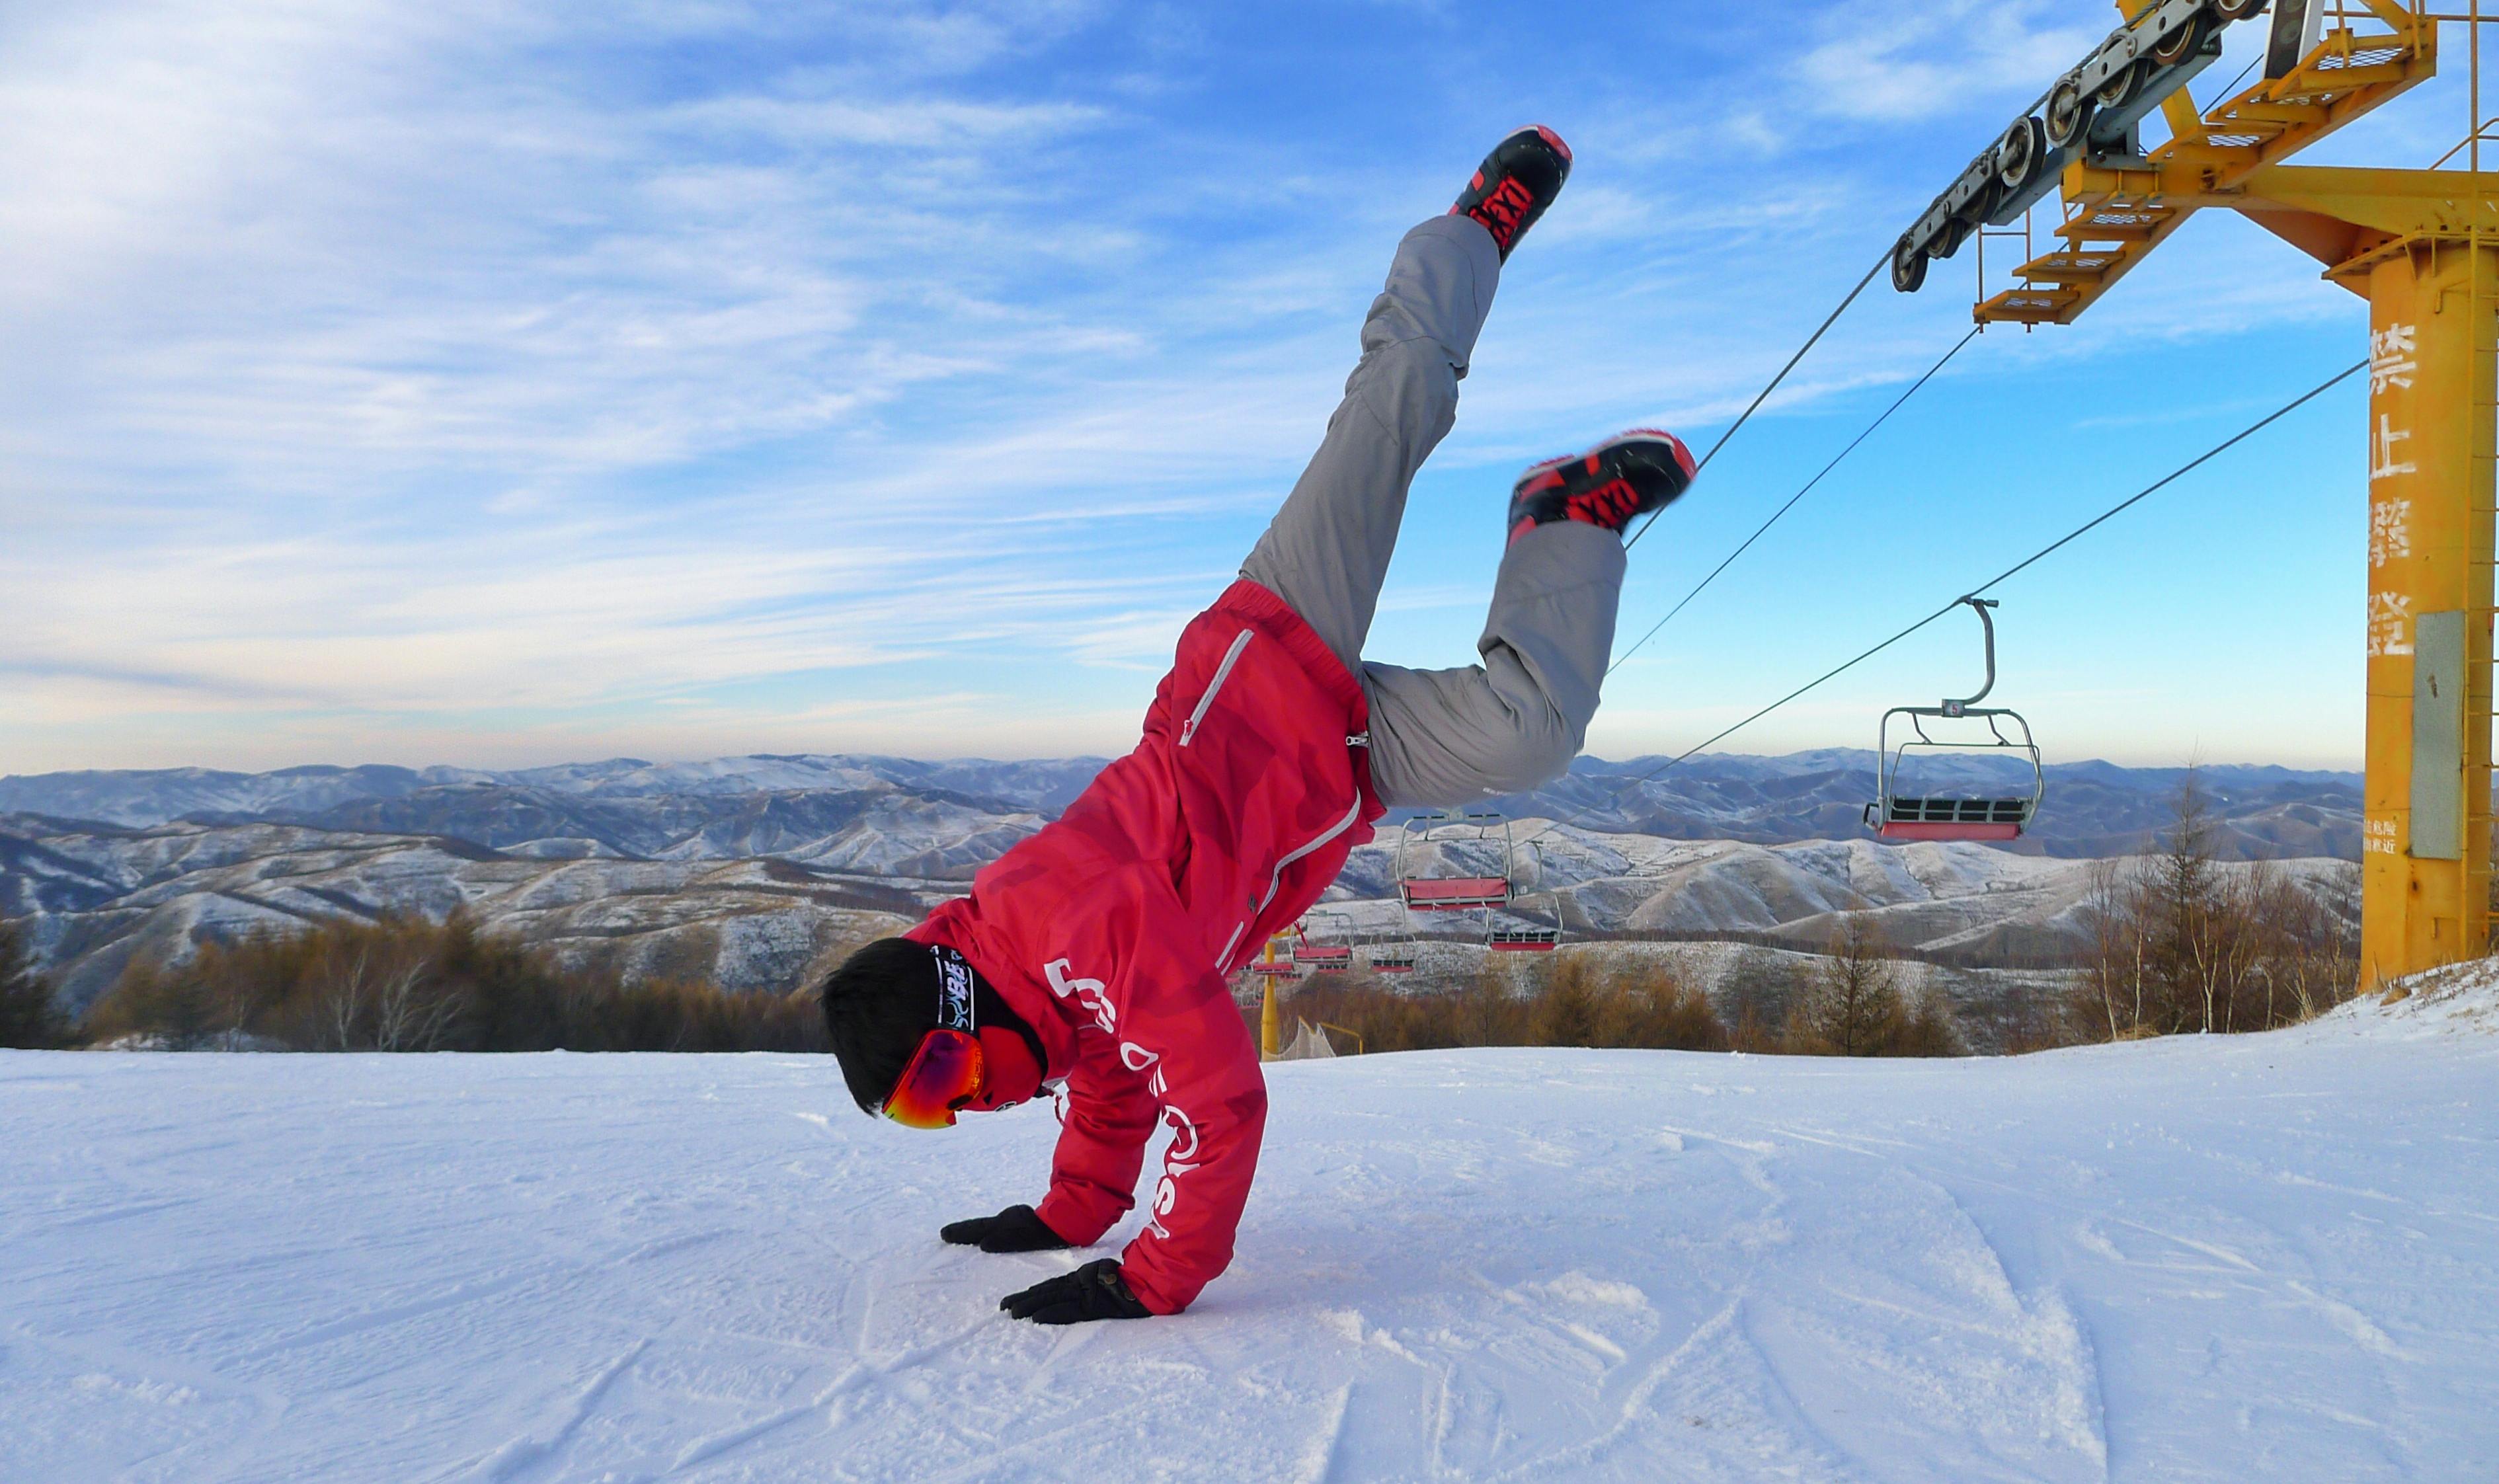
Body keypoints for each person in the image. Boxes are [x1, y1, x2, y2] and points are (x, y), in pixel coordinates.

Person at [819, 126, 1694, 1325]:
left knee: (1392, 413)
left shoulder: (1065, 928)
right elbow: (1114, 1061)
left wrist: (1151, 1274)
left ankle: (1469, 233)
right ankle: (1565, 519)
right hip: (1336, 763)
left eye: (936, 1077)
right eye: (929, 1108)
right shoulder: (1035, 991)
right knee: (1532, 731)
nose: (959, 1105)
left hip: (1267, 657)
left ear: (957, 1007)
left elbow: (1215, 1097)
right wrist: (1071, 1211)